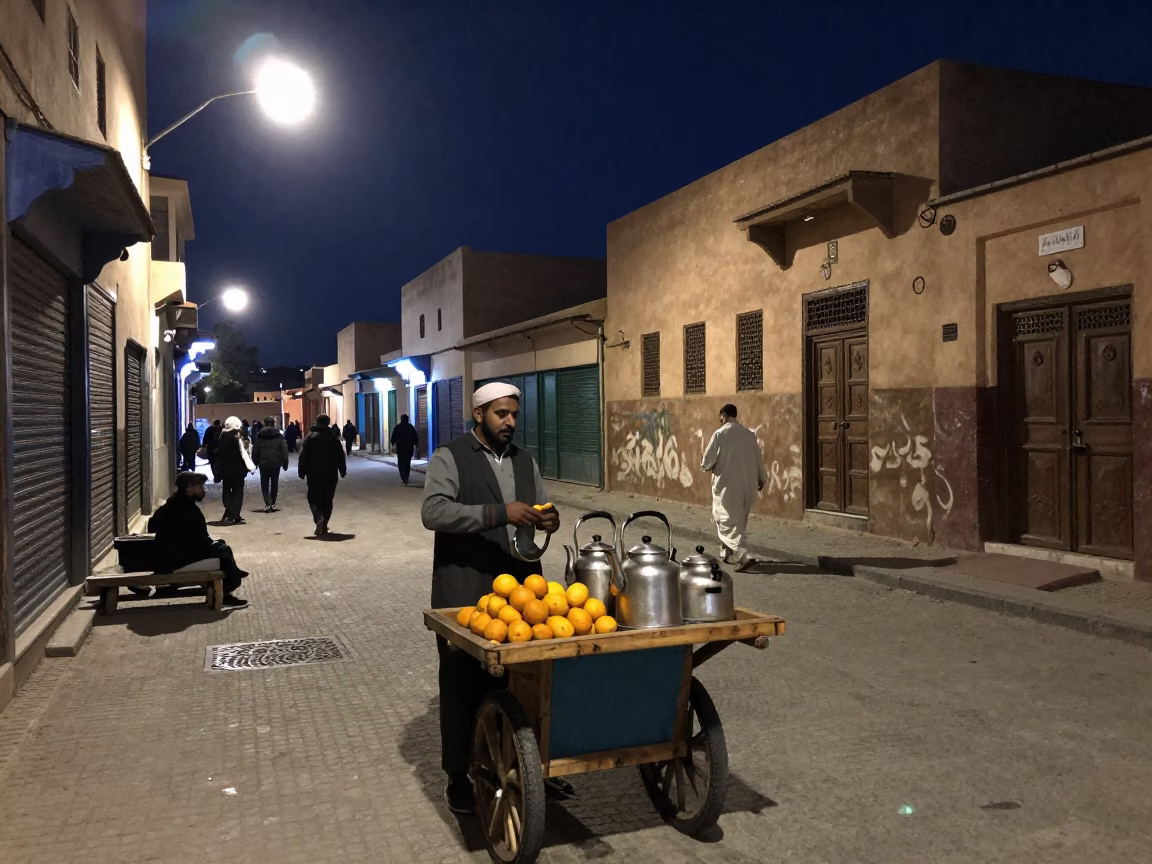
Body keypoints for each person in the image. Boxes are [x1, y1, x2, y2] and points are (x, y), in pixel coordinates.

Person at [421, 382, 561, 814]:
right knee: (462, 683)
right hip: (464, 587)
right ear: (478, 414)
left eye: (515, 415)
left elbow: (537, 508)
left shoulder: (525, 461)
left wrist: (548, 519)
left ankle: (526, 770)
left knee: (522, 682)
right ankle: (458, 776)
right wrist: (499, 513)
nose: (510, 423)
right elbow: (434, 512)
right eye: (501, 414)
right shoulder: (451, 457)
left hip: (520, 592)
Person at [147, 471, 249, 607]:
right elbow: (200, 544)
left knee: (221, 546)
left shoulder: (172, 503)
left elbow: (153, 527)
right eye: (200, 487)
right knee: (224, 556)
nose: (204, 491)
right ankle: (224, 594)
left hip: (169, 556)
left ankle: (233, 571)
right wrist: (214, 547)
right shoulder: (188, 510)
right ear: (189, 488)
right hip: (176, 561)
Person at [700, 403, 767, 572]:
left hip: (727, 486)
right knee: (738, 521)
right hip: (748, 485)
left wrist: (707, 466)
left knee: (725, 519)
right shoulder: (749, 434)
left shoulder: (720, 434)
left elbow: (707, 461)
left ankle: (744, 555)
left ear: (724, 416)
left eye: (720, 417)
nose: (720, 420)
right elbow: (758, 458)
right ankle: (726, 552)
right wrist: (762, 478)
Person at [298, 414, 346, 536]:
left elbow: (303, 456)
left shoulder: (310, 438)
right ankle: (324, 525)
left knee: (313, 497)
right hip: (330, 474)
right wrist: (342, 470)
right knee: (328, 499)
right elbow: (340, 455)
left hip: (314, 474)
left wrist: (301, 471)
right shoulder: (333, 437)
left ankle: (319, 517)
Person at [217, 416, 255, 524]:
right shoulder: (239, 438)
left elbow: (217, 453)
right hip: (238, 470)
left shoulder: (220, 437)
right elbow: (244, 453)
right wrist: (250, 466)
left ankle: (230, 512)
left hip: (225, 470)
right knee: (238, 492)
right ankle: (234, 513)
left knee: (227, 491)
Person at [252, 416, 289, 512]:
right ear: (273, 423)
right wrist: (285, 463)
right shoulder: (279, 435)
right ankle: (273, 502)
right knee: (274, 483)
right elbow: (284, 450)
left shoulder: (260, 436)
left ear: (264, 423)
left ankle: (267, 503)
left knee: (264, 484)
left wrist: (255, 461)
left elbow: (255, 450)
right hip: (276, 462)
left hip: (263, 463)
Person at [390, 413, 419, 486]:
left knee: (401, 464)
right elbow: (415, 437)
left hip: (400, 449)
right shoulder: (411, 427)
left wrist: (393, 444)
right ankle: (406, 478)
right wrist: (416, 445)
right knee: (407, 463)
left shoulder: (397, 428)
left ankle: (404, 478)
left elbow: (393, 439)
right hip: (409, 449)